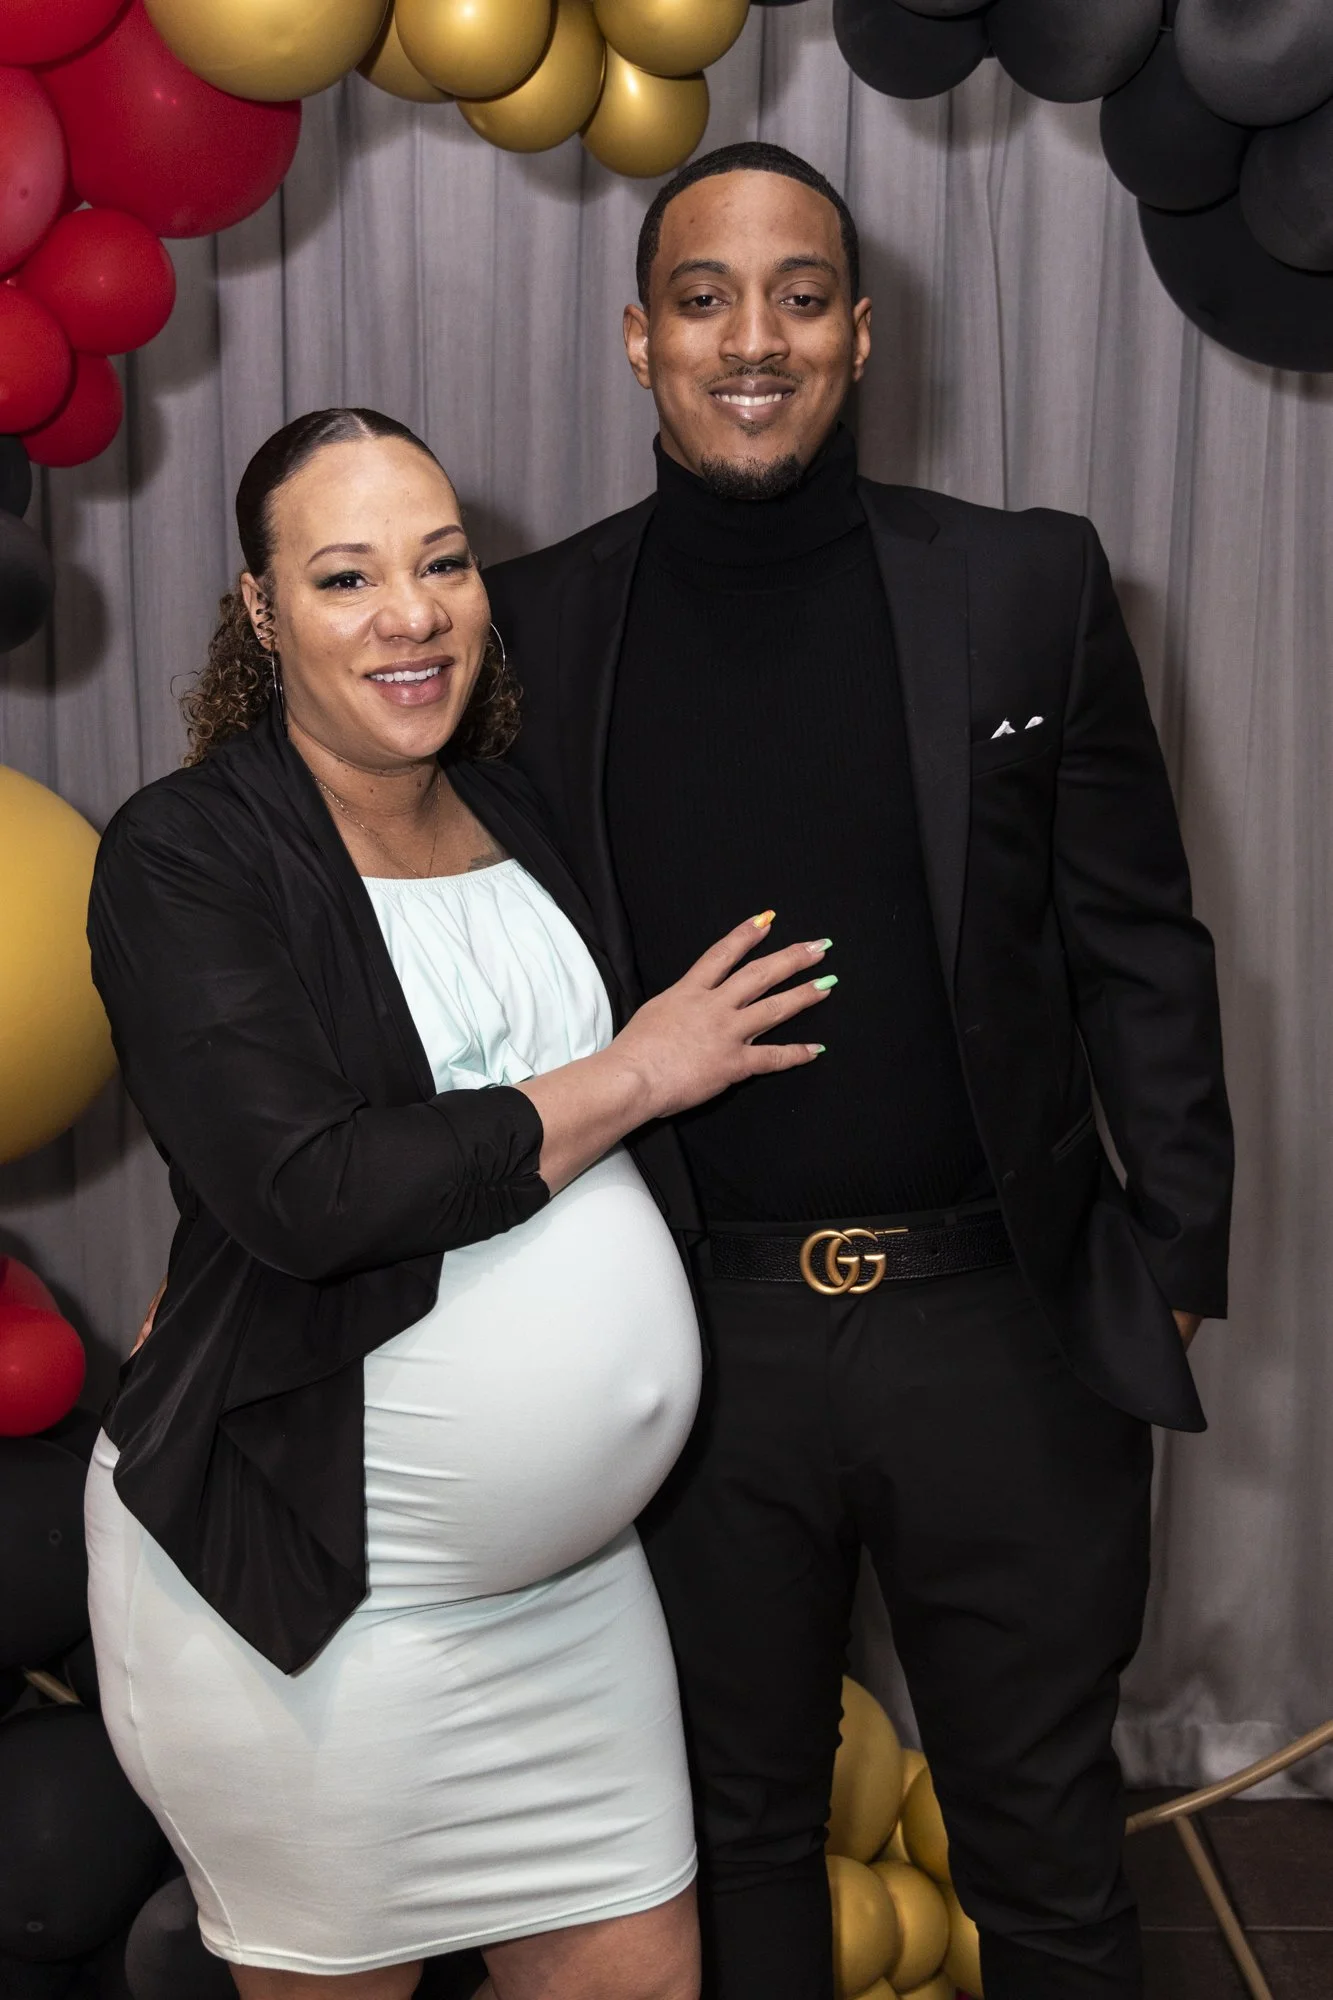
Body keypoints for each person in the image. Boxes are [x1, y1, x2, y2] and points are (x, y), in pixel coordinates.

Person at [484, 143, 1234, 2000]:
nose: (759, 336)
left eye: (802, 295)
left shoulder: (1025, 585)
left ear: (862, 331)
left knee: (1048, 1854)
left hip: (996, 1329)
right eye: (709, 298)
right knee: (733, 1847)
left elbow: (1141, 938)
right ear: (637, 340)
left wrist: (1182, 1259)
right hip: (685, 1348)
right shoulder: (531, 628)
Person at [83, 406, 838, 2000]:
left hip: (570, 1605)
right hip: (312, 1610)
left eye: (441, 564)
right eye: (346, 577)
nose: (411, 613)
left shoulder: (517, 811)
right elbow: (312, 1189)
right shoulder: (187, 853)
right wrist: (635, 1075)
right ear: (260, 610)